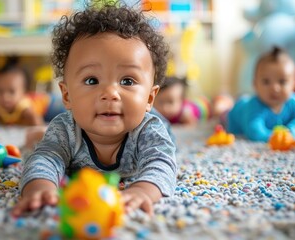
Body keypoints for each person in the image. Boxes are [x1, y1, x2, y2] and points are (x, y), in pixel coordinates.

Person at [12, 3, 177, 216]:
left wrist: (143, 190)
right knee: (51, 141)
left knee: (165, 134)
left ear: (150, 97)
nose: (110, 93)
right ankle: (44, 134)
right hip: (71, 127)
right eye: (92, 80)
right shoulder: (66, 129)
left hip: (150, 120)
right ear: (67, 95)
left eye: (127, 81)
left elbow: (161, 162)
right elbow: (45, 159)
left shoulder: (149, 131)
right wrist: (41, 187)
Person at [226, 46, 295, 142]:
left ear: (294, 85)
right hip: (236, 112)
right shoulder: (254, 106)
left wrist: (291, 132)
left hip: (245, 103)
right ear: (255, 84)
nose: (274, 88)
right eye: (266, 82)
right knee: (224, 114)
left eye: (282, 82)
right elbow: (254, 130)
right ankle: (222, 105)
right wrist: (274, 137)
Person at [0, 57, 65, 130]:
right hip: (45, 110)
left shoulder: (23, 106)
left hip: (50, 104)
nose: (5, 97)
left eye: (11, 91)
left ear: (24, 92)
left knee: (67, 113)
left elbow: (37, 122)